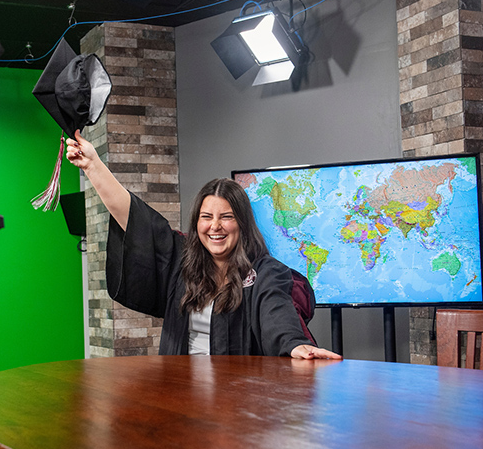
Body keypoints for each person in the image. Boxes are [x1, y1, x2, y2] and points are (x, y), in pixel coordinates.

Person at [66, 130, 341, 360]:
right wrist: (93, 166)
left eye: (227, 217)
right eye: (206, 217)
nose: (215, 227)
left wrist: (294, 346)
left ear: (242, 223)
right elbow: (136, 219)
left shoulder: (266, 273)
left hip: (237, 400)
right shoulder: (182, 261)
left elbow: (277, 316)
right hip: (181, 393)